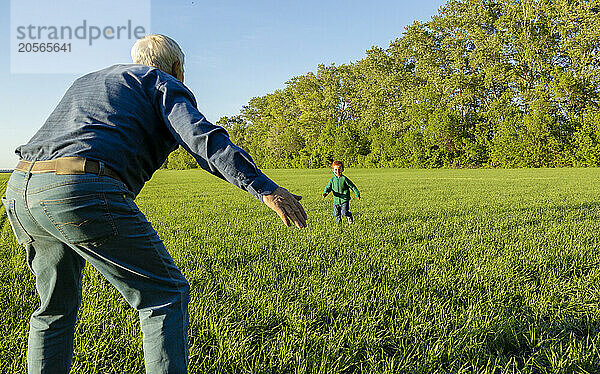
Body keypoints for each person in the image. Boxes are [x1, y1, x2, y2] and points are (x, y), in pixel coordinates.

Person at [1, 34, 306, 374]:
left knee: (54, 309)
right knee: (165, 296)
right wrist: (265, 188)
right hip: (79, 188)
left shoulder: (87, 81)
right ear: (177, 68)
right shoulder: (158, 80)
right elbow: (202, 139)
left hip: (21, 190)